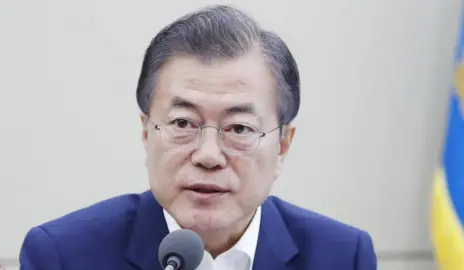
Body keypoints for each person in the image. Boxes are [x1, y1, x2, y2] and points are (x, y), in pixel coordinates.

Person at [19, 5, 377, 270]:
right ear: (146, 132)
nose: (208, 155)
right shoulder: (62, 255)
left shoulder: (343, 256)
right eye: (183, 123)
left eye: (239, 129)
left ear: (283, 145)